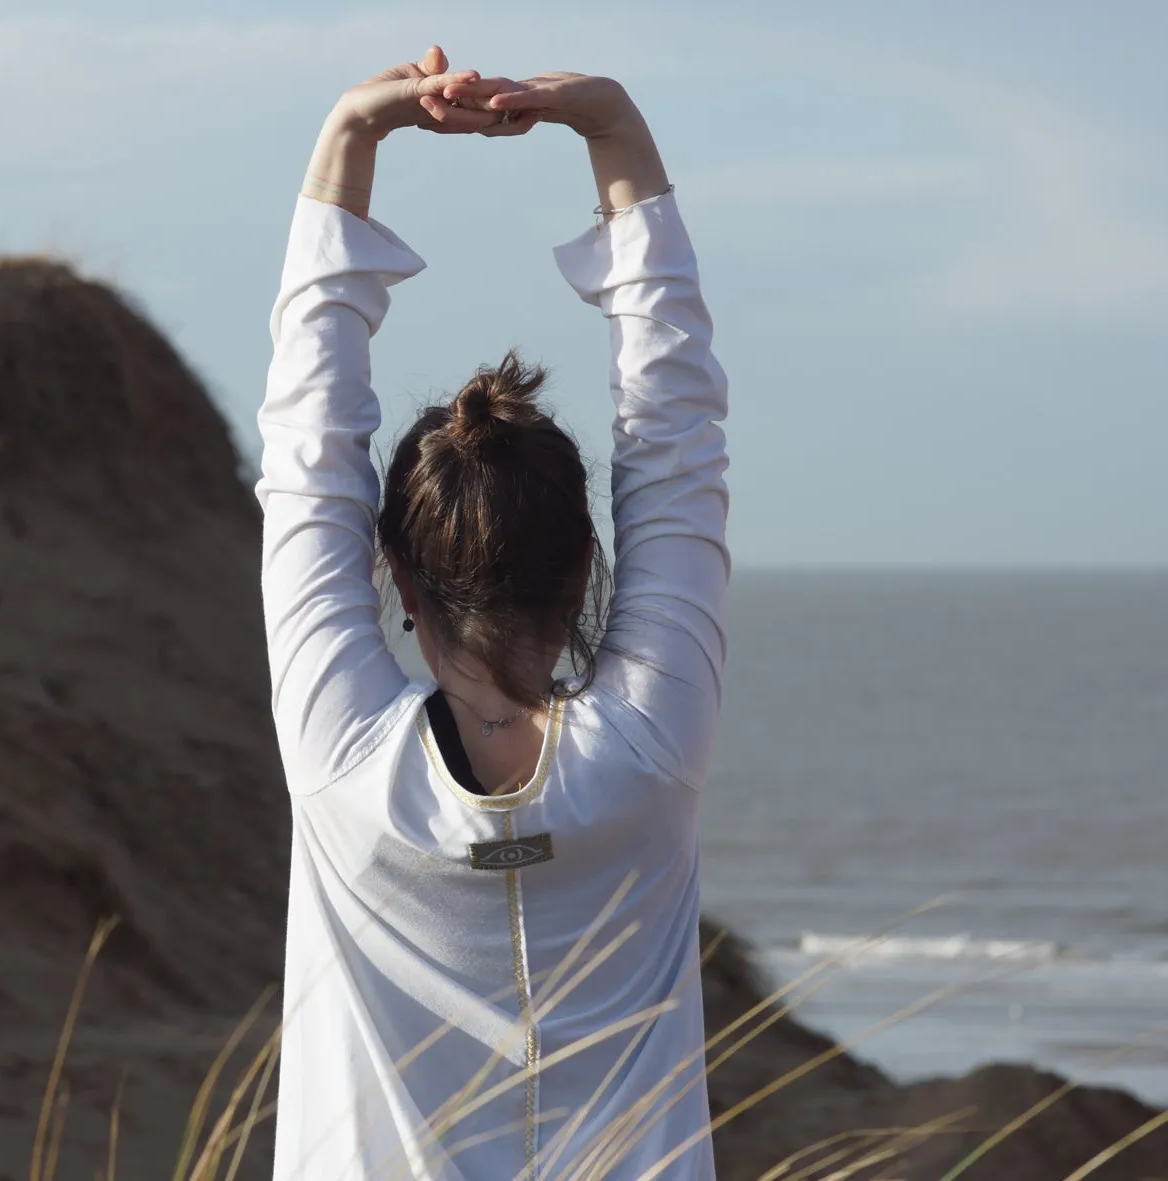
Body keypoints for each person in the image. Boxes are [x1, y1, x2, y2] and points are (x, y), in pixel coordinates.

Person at [256, 45, 730, 1181]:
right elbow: (675, 441)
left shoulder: (340, 759)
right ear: (583, 571)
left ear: (395, 579)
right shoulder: (650, 752)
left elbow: (305, 450)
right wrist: (611, 130)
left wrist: (349, 137)